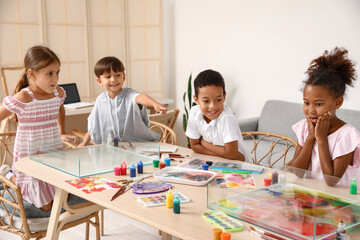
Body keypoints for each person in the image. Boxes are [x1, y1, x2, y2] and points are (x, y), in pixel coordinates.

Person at [0, 45, 77, 211]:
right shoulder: (24, 96)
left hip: (51, 150)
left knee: (64, 197)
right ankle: (8, 174)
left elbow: (60, 107)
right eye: (49, 73)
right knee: (46, 206)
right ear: (32, 74)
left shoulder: (58, 93)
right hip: (29, 152)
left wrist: (61, 131)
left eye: (57, 72)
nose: (55, 78)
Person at [291, 47, 360, 185]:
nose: (311, 111)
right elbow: (297, 172)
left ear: (338, 102)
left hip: (340, 200)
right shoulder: (305, 128)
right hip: (313, 197)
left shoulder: (346, 135)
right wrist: (310, 137)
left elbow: (331, 180)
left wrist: (321, 139)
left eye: (319, 104)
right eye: (306, 103)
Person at [78, 56, 167, 146]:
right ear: (100, 81)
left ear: (123, 77)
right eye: (108, 76)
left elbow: (140, 97)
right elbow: (94, 125)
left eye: (117, 75)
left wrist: (154, 104)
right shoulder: (100, 100)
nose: (113, 79)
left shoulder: (129, 95)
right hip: (112, 148)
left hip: (137, 145)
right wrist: (83, 143)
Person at [185, 69, 250, 161]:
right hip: (217, 161)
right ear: (196, 99)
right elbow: (194, 146)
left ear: (224, 96)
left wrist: (203, 143)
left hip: (240, 164)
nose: (213, 106)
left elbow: (232, 155)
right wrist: (222, 154)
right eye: (206, 101)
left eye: (218, 100)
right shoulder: (194, 112)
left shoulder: (226, 118)